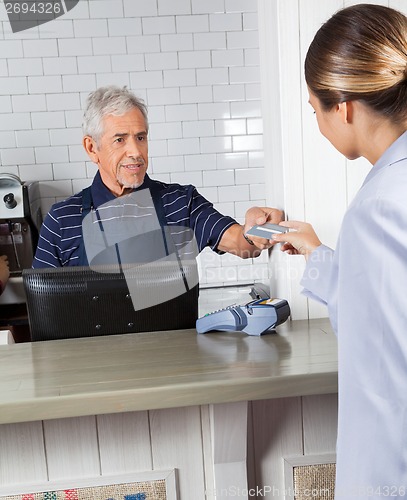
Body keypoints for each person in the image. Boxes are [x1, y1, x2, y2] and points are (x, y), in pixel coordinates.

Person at [271, 4, 407, 499]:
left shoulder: (377, 208)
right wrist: (316, 252)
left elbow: (385, 365)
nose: (319, 123)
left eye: (314, 109)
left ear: (343, 107)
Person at [33, 85, 282, 268]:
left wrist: (259, 229)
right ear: (91, 148)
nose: (135, 151)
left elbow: (242, 244)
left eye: (140, 137)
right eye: (120, 140)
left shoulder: (180, 203)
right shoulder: (62, 221)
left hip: (172, 341)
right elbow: (45, 307)